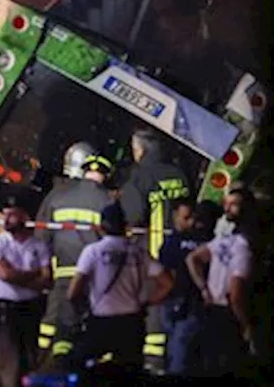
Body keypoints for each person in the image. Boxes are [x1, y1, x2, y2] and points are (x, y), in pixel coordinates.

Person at [65, 203, 173, 373]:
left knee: (77, 364)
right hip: (131, 323)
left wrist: (82, 308)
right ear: (125, 226)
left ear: (101, 227)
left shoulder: (93, 252)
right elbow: (167, 283)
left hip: (101, 323)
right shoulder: (139, 253)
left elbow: (72, 292)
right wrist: (147, 302)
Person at [117, 128, 190, 370]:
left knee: (154, 310)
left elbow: (133, 217)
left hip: (151, 254)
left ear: (141, 151)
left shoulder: (138, 178)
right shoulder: (178, 174)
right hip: (182, 253)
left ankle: (153, 363)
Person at [34, 152, 113, 361]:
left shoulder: (58, 195)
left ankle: (43, 357)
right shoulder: (107, 201)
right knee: (90, 314)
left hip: (61, 267)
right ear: (104, 175)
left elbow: (42, 233)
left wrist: (43, 264)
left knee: (54, 312)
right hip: (93, 272)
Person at [185, 187, 257, 376]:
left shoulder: (224, 241)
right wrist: (246, 325)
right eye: (226, 204)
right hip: (229, 317)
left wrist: (205, 290)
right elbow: (236, 293)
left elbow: (193, 259)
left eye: (233, 205)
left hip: (212, 311)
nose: (227, 209)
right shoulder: (243, 247)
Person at [0, 202, 52, 387]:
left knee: (30, 356)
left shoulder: (39, 245)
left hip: (32, 306)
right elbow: (4, 274)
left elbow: (47, 278)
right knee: (10, 359)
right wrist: (32, 276)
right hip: (6, 306)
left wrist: (17, 275)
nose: (8, 218)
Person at [159, 199, 222, 376]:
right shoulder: (204, 242)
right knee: (178, 346)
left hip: (185, 301)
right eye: (186, 217)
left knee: (178, 346)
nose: (191, 222)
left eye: (192, 217)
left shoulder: (177, 242)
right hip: (181, 300)